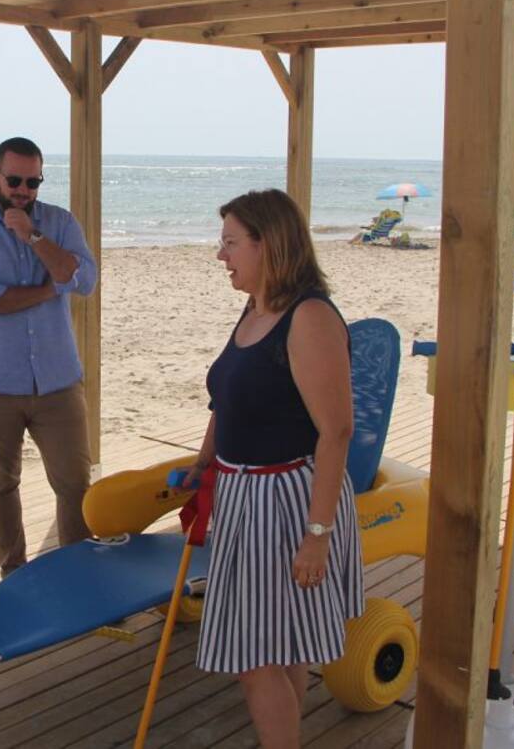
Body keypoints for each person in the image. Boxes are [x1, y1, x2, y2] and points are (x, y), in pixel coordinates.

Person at [183, 188, 364, 749]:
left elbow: (336, 432)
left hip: (286, 501)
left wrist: (317, 536)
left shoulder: (308, 317)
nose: (222, 256)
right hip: (242, 495)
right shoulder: (255, 307)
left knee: (255, 655)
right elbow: (228, 397)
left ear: (270, 245)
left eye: (231, 244)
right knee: (279, 644)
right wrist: (203, 460)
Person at [0, 136, 98, 577]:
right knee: (0, 484)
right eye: (15, 180)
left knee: (74, 483)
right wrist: (52, 287)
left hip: (57, 379)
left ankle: (79, 571)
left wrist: (33, 237)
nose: (24, 190)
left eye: (33, 182)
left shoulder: (59, 223)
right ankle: (13, 574)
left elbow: (84, 280)